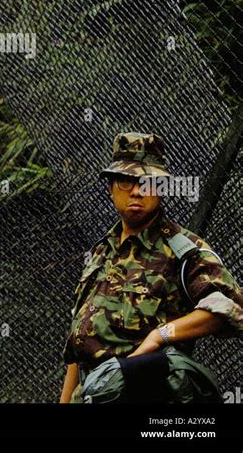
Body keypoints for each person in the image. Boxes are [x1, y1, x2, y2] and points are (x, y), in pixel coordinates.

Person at [59, 131, 243, 403]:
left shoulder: (182, 250)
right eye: (126, 181)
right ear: (110, 187)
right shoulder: (101, 252)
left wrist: (161, 335)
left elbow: (232, 307)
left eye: (148, 182)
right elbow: (78, 344)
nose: (136, 191)